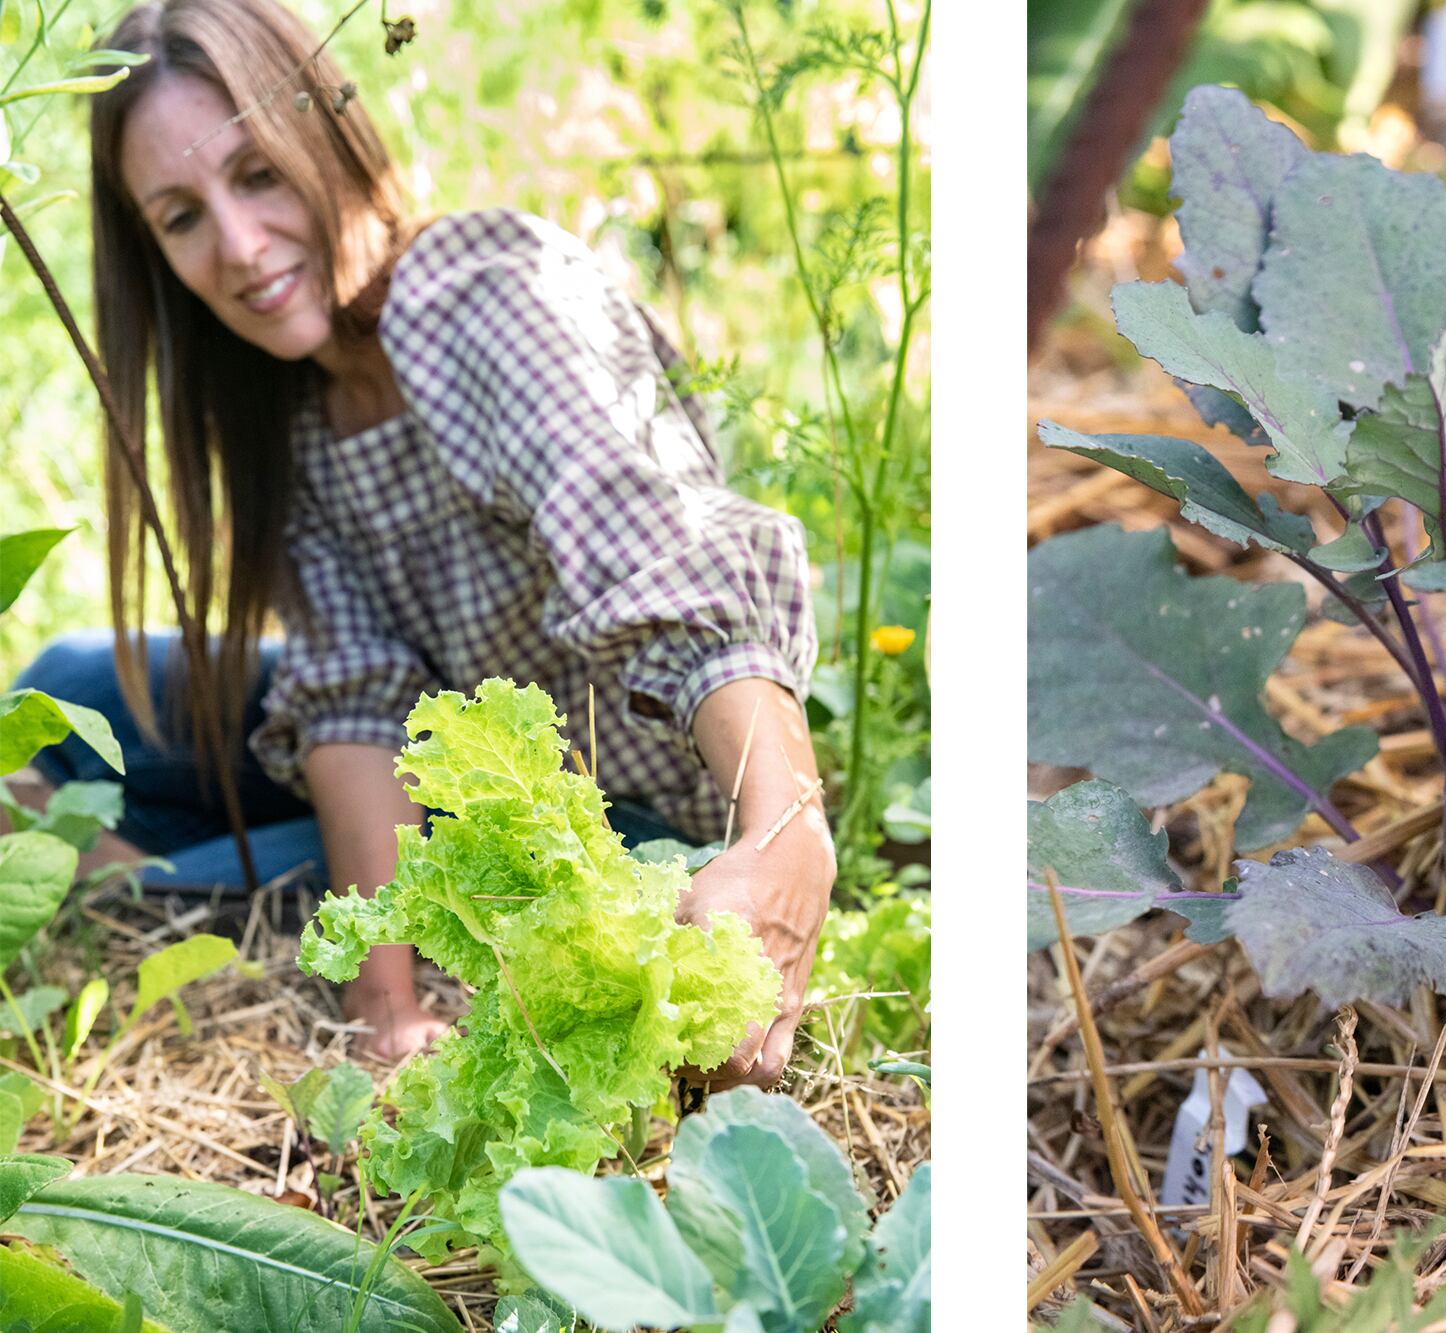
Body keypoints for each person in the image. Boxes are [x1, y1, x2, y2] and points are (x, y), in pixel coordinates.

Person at [12, 0, 833, 1081]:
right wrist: (382, 1002)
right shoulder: (292, 411)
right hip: (444, 760)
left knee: (228, 879)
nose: (240, 247)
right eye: (182, 216)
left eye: (256, 174)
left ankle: (114, 878)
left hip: (612, 810)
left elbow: (656, 553)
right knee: (65, 686)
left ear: (324, 134)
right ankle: (90, 852)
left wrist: (782, 833)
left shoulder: (477, 293)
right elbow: (354, 709)